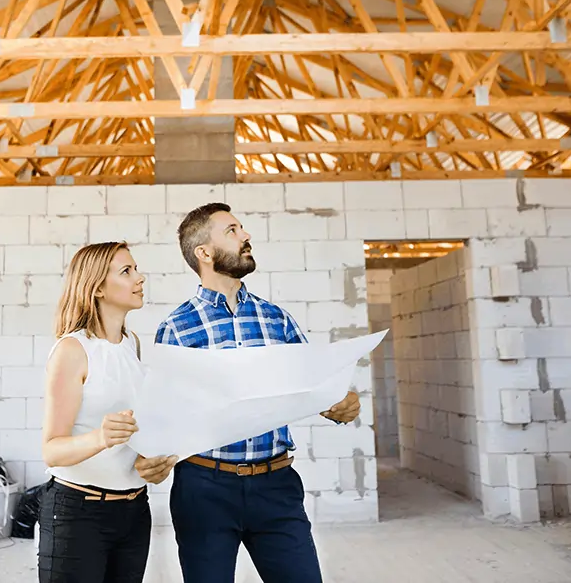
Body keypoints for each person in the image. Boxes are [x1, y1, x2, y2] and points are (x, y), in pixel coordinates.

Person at [155, 202, 362, 583]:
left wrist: (340, 403)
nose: (246, 235)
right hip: (204, 489)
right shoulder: (175, 330)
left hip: (276, 486)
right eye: (232, 231)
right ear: (204, 252)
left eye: (243, 228)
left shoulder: (276, 318)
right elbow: (163, 415)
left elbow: (318, 388)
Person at [40, 241, 178, 583]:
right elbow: (51, 451)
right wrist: (100, 438)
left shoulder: (132, 343)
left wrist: (154, 464)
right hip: (78, 513)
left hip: (133, 511)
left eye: (136, 269)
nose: (140, 277)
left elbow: (137, 434)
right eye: (126, 271)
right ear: (98, 287)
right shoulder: (73, 350)